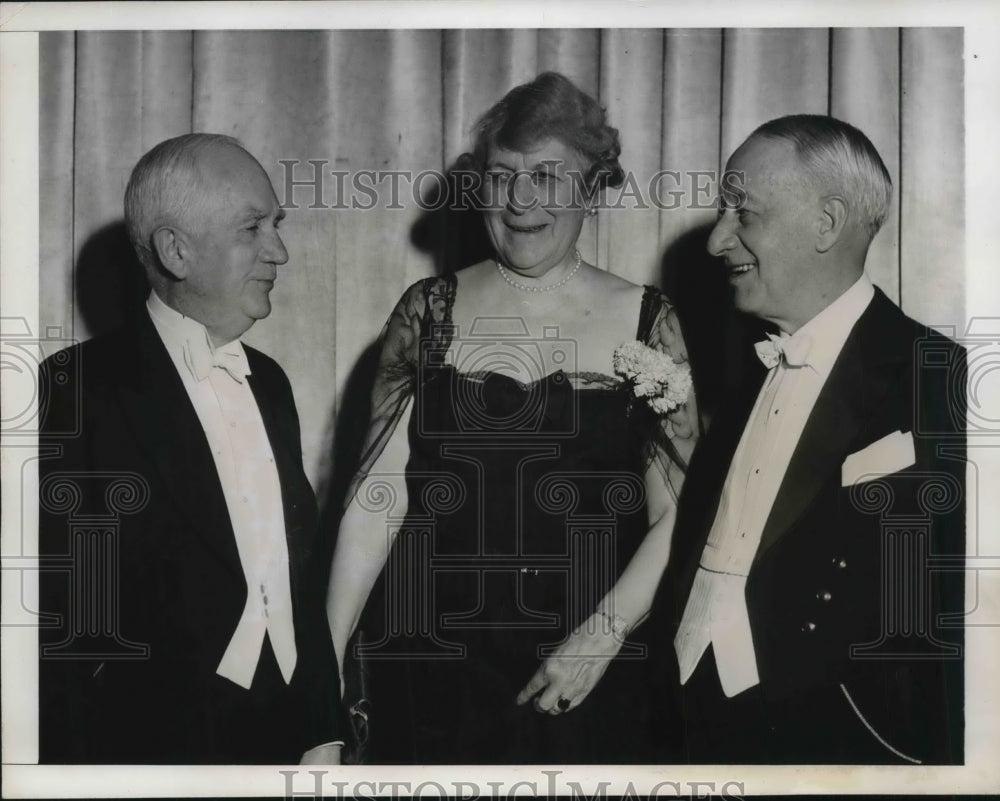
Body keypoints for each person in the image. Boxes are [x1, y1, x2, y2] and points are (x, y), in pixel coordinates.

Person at [326, 72, 699, 763]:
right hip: (431, 667)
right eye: (502, 176)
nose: (522, 200)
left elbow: (680, 514)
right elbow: (371, 506)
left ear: (593, 187)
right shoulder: (425, 309)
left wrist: (602, 636)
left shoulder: (650, 321)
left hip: (583, 668)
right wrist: (320, 687)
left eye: (550, 176)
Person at [657, 115, 965, 764]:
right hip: (688, 726)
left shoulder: (945, 382)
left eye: (744, 213)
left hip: (842, 744)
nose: (717, 241)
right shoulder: (743, 383)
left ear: (827, 223)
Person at [38, 134, 345, 764]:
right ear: (176, 251)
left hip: (288, 744)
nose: (280, 251)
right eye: (252, 228)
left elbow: (293, 578)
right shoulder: (77, 388)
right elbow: (56, 621)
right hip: (147, 751)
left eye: (277, 224)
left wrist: (323, 731)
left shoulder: (272, 383)